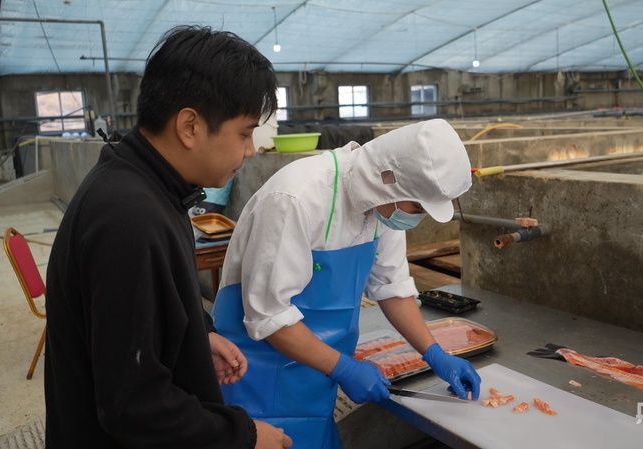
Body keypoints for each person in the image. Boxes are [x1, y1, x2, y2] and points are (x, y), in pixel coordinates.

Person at [44, 25, 292, 449]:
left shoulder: (156, 190)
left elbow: (148, 313)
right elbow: (133, 405)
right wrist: (244, 436)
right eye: (245, 133)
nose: (250, 150)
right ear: (190, 127)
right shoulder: (128, 220)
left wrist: (200, 335)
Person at [211, 118, 481, 448]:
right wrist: (344, 370)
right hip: (255, 379)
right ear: (389, 179)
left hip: (316, 372)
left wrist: (435, 352)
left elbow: (391, 287)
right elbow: (269, 317)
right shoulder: (296, 198)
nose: (417, 216)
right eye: (417, 207)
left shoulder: (387, 207)